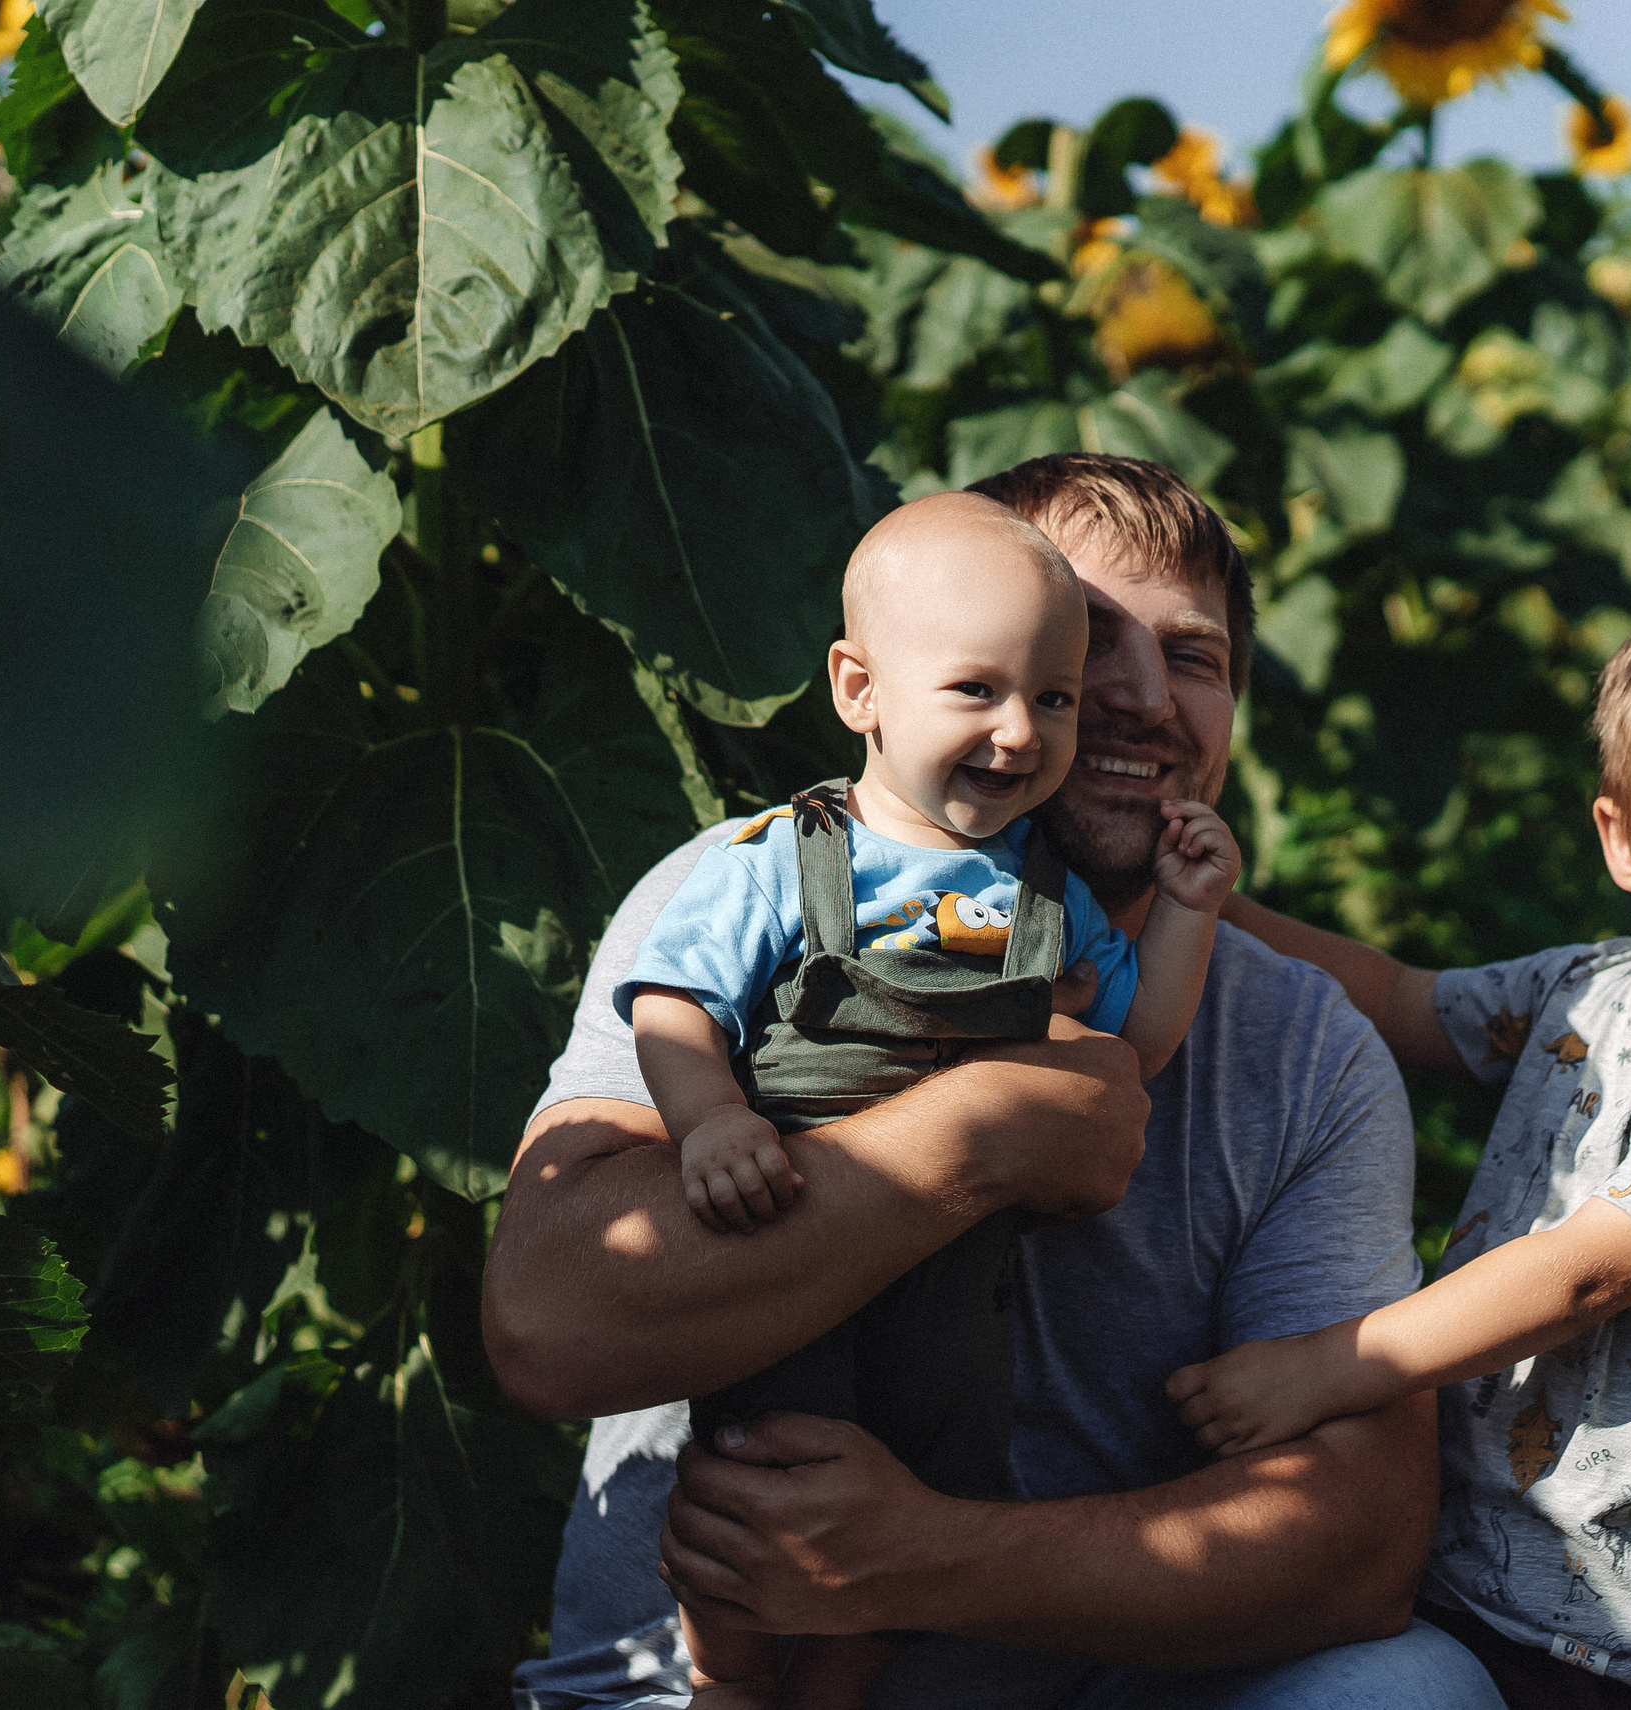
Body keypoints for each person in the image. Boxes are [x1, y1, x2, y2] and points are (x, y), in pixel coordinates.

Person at [487, 454, 1500, 1709]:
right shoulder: (758, 881)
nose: (1137, 698)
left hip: (1082, 1685)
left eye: (1192, 658)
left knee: (1407, 1690)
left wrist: (922, 1561)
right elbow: (545, 1329)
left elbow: (1358, 1548)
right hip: (678, 1683)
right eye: (1084, 639)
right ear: (882, 682)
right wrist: (969, 1136)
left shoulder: (1301, 1051)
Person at [1182, 595, 1631, 1709]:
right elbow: (1403, 1003)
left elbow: (1578, 1276)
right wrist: (1212, 908)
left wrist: (1325, 1367)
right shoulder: (1589, 985)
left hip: (1606, 1629)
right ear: (1621, 840)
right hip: (1467, 1563)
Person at [617, 492, 1238, 1707]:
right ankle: (727, 1677)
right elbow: (674, 1003)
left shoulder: (1039, 895)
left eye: (1050, 700)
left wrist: (1189, 912)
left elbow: (1141, 1044)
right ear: (859, 691)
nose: (1018, 732)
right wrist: (711, 1120)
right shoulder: (783, 857)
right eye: (976, 691)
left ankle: (832, 1689)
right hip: (789, 1217)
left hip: (957, 1268)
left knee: (933, 1479)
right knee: (754, 1466)